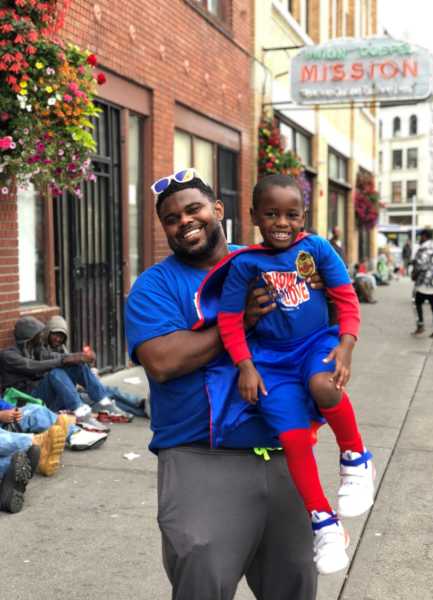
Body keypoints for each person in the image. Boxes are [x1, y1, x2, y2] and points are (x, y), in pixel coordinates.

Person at [125, 168, 320, 600]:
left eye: (193, 209)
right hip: (199, 456)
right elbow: (163, 361)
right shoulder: (154, 286)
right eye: (171, 218)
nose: (184, 221)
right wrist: (240, 319)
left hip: (283, 449)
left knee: (298, 578)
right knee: (203, 579)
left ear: (217, 210)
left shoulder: (268, 262)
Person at [194, 174, 374, 575]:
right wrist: (245, 365)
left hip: (316, 344)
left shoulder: (317, 248)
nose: (281, 222)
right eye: (271, 213)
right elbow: (229, 320)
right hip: (270, 362)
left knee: (325, 385)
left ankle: (356, 459)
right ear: (255, 215)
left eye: (291, 214)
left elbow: (346, 297)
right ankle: (324, 522)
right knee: (292, 439)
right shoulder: (244, 263)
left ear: (304, 216)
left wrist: (345, 345)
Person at [0, 316, 109, 433]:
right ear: (30, 337)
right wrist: (64, 360)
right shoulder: (8, 356)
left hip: (41, 396)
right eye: (38, 334)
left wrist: (80, 357)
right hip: (25, 402)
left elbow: (56, 357)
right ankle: (81, 413)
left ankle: (104, 402)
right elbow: (32, 366)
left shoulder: (36, 350)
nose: (42, 337)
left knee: (77, 365)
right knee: (54, 373)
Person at [44, 316, 137, 422]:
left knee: (105, 394)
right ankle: (139, 405)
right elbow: (56, 371)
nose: (58, 339)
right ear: (48, 332)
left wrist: (90, 377)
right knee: (104, 394)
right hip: (54, 398)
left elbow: (71, 370)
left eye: (61, 336)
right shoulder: (41, 349)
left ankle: (141, 406)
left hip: (68, 394)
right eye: (55, 334)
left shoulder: (61, 348)